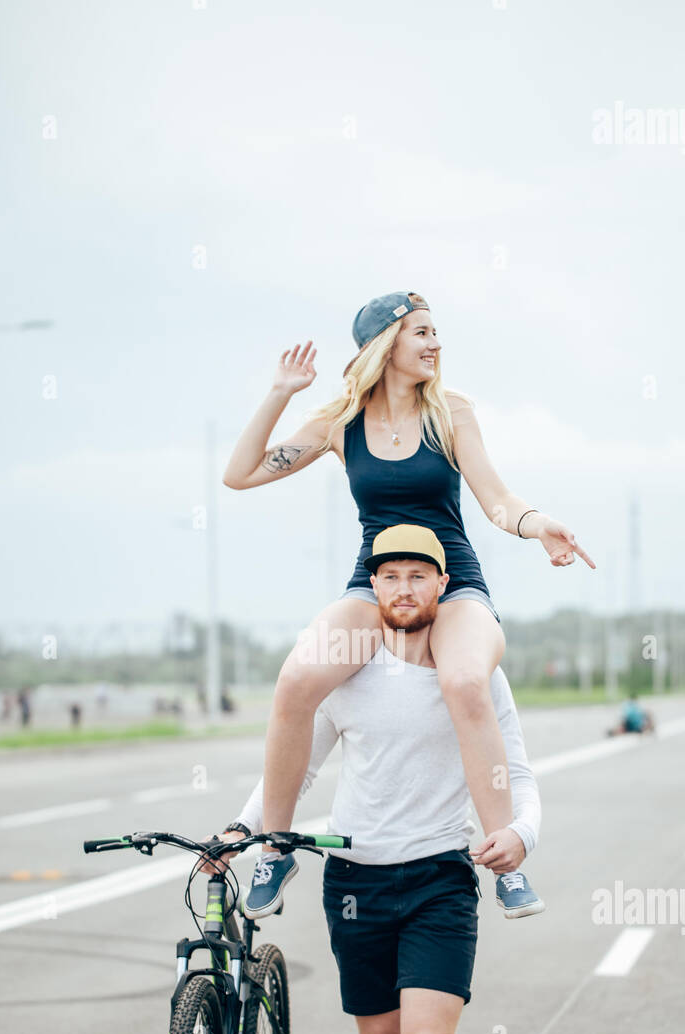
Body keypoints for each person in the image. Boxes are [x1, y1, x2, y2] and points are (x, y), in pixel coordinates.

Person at [201, 526, 543, 1034]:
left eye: (419, 576)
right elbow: (298, 764)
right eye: (389, 576)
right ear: (374, 588)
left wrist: (521, 832)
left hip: (441, 879)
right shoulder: (348, 671)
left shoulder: (471, 669)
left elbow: (516, 768)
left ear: (443, 585)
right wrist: (243, 828)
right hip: (354, 881)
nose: (404, 590)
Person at [222, 290, 592, 918]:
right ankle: (275, 848)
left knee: (466, 680)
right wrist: (281, 392)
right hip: (375, 584)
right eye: (421, 332)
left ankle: (503, 860)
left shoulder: (450, 412)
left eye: (436, 332)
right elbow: (241, 473)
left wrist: (537, 526)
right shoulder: (341, 421)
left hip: (454, 581)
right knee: (295, 681)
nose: (434, 343)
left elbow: (495, 499)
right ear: (384, 346)